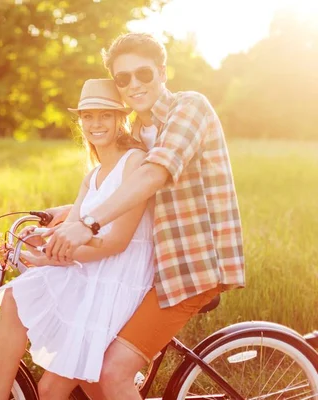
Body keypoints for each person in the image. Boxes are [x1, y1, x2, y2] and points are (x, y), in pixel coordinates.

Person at [43, 33, 246, 399]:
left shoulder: (189, 109)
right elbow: (129, 194)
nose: (134, 84)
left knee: (112, 372)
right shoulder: (137, 131)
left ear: (163, 72)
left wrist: (88, 223)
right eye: (123, 78)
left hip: (189, 268)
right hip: (150, 267)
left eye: (143, 74)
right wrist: (68, 213)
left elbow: (155, 175)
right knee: (90, 352)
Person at [0, 78, 155, 400]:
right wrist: (39, 237)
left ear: (121, 118)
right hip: (92, 271)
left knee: (51, 386)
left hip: (119, 277)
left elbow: (117, 243)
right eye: (88, 116)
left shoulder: (134, 161)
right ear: (80, 121)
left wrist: (50, 257)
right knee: (15, 302)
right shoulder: (92, 176)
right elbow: (73, 228)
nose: (95, 123)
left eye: (105, 115)